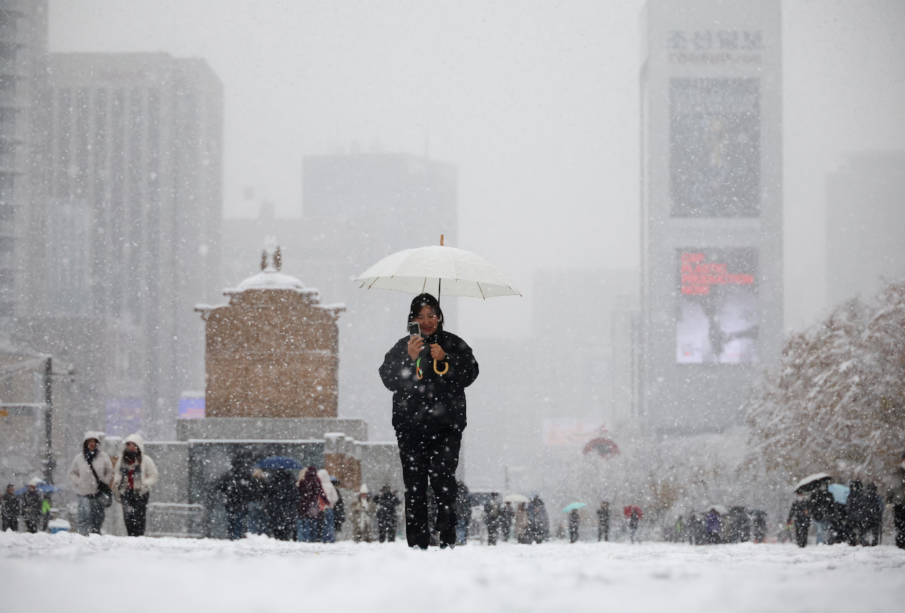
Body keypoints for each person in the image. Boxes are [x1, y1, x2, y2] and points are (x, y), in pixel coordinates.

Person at [379, 293, 479, 550]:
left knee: (444, 481)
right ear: (411, 319)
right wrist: (409, 360)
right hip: (410, 428)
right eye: (420, 317)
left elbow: (470, 373)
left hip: (446, 427)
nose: (426, 321)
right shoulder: (404, 346)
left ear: (440, 317)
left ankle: (446, 538)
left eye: (431, 316)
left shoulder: (453, 344)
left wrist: (445, 359)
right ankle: (418, 542)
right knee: (415, 486)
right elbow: (388, 379)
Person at [113, 434, 159, 537]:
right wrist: (118, 481)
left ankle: (139, 537)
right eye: (129, 444)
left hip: (140, 493)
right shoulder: (122, 459)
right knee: (128, 517)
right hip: (126, 492)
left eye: (134, 444)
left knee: (139, 517)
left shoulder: (145, 460)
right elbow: (117, 472)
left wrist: (144, 483)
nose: (131, 447)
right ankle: (131, 536)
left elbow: (154, 475)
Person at [68, 431, 113, 536]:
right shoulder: (79, 458)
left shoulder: (103, 457)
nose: (92, 444)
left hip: (98, 492)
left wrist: (105, 481)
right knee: (84, 515)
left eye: (94, 442)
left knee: (98, 517)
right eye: (90, 441)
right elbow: (72, 473)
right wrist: (78, 482)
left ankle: (95, 535)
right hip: (83, 493)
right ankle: (82, 536)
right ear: (86, 443)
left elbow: (110, 471)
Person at [218, 461, 260, 540]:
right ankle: (236, 536)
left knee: (232, 521)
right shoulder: (245, 476)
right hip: (241, 503)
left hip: (231, 502)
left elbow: (221, 486)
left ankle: (232, 536)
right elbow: (250, 490)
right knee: (239, 521)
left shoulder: (229, 476)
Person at [259, 468, 299, 541]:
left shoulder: (274, 479)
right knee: (286, 524)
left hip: (276, 506)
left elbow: (268, 492)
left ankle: (278, 536)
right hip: (287, 506)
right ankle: (285, 536)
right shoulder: (291, 480)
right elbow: (295, 495)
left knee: (276, 524)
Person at [297, 466, 328, 542]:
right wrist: (327, 502)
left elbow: (299, 493)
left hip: (304, 505)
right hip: (313, 505)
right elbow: (321, 492)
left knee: (305, 523)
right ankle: (313, 539)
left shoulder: (303, 481)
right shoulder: (316, 481)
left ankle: (304, 539)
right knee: (314, 523)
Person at [316, 469, 340, 543]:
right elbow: (336, 498)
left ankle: (322, 539)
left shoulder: (318, 486)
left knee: (320, 525)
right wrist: (330, 502)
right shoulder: (330, 485)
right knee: (329, 525)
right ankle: (330, 539)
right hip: (329, 508)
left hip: (319, 508)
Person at [888, 452, 905, 549]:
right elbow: (891, 488)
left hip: (899, 503)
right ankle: (901, 544)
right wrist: (889, 500)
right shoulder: (898, 474)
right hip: (899, 504)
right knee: (900, 526)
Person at [846, 480, 870, 546]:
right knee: (860, 530)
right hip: (858, 516)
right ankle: (859, 541)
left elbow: (848, 507)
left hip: (856, 516)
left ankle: (854, 541)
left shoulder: (852, 496)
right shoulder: (862, 495)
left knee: (856, 530)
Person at [456, 481, 471, 545]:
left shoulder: (455, 493)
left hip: (456, 513)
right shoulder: (465, 494)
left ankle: (457, 540)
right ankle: (461, 540)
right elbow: (468, 504)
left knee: (457, 527)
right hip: (463, 514)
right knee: (462, 527)